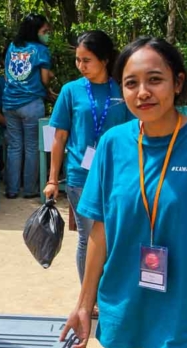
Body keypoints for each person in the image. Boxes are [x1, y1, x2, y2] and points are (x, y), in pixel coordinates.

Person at [61, 37, 187, 348]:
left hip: (180, 313)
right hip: (124, 306)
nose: (143, 92)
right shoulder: (116, 143)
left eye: (155, 80)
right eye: (131, 83)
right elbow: (96, 231)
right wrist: (84, 304)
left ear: (178, 82)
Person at [45, 31, 131, 282]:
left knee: (113, 235)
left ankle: (109, 292)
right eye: (78, 60)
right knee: (88, 235)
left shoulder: (123, 90)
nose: (81, 66)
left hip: (117, 177)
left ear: (104, 60)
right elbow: (58, 137)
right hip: (79, 176)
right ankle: (88, 296)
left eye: (87, 60)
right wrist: (52, 179)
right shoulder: (70, 91)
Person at [3, 13, 54, 199]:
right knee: (32, 147)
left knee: (14, 146)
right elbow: (44, 78)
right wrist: (49, 89)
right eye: (45, 31)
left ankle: (12, 189)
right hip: (31, 103)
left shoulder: (12, 46)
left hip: (9, 102)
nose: (47, 34)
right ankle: (29, 190)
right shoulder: (41, 50)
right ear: (35, 31)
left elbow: (8, 76)